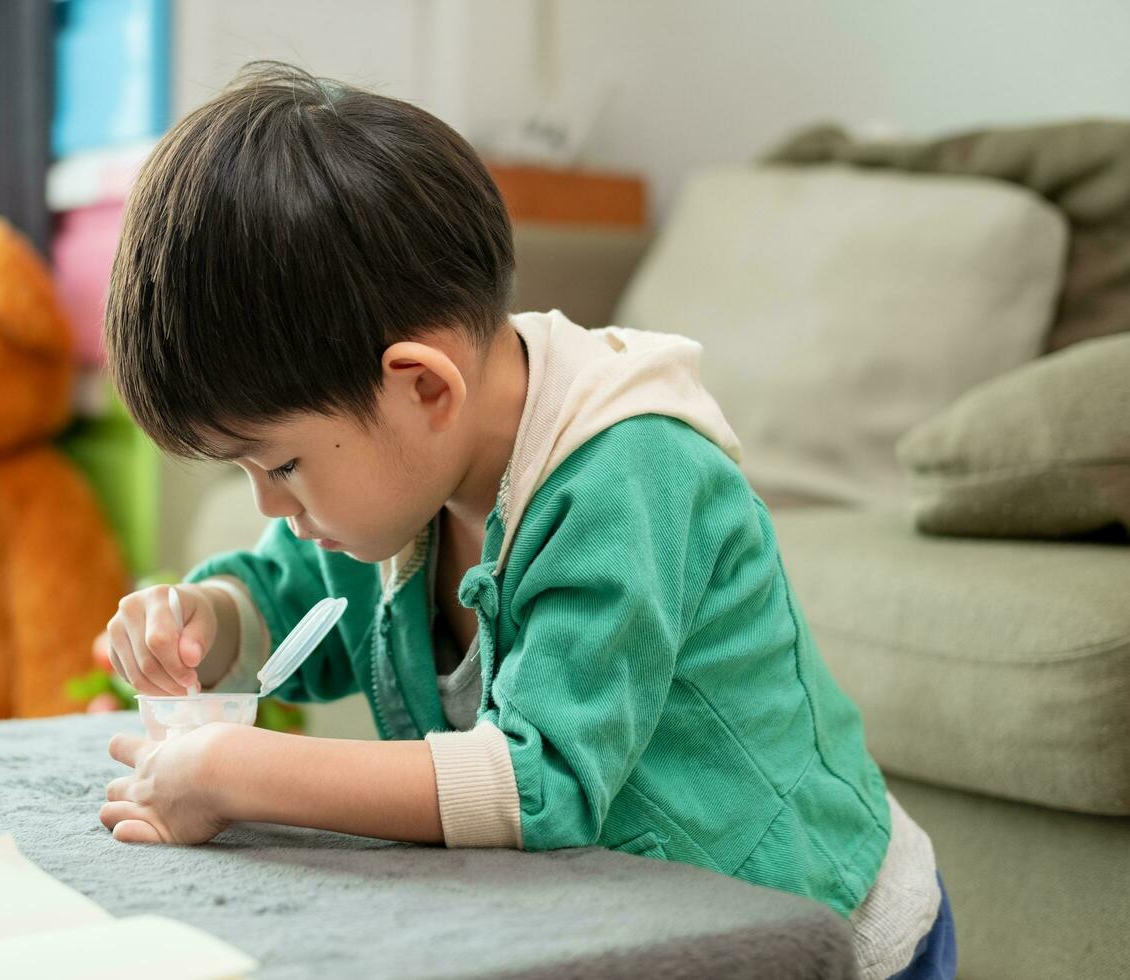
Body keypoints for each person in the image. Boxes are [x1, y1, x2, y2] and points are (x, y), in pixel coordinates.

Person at [96, 61, 955, 979]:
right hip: (614, 912)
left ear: (424, 385)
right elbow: (293, 596)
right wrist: (208, 619)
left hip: (811, 926)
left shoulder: (628, 478)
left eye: (284, 465)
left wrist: (241, 773)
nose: (272, 504)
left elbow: (536, 785)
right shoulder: (410, 480)